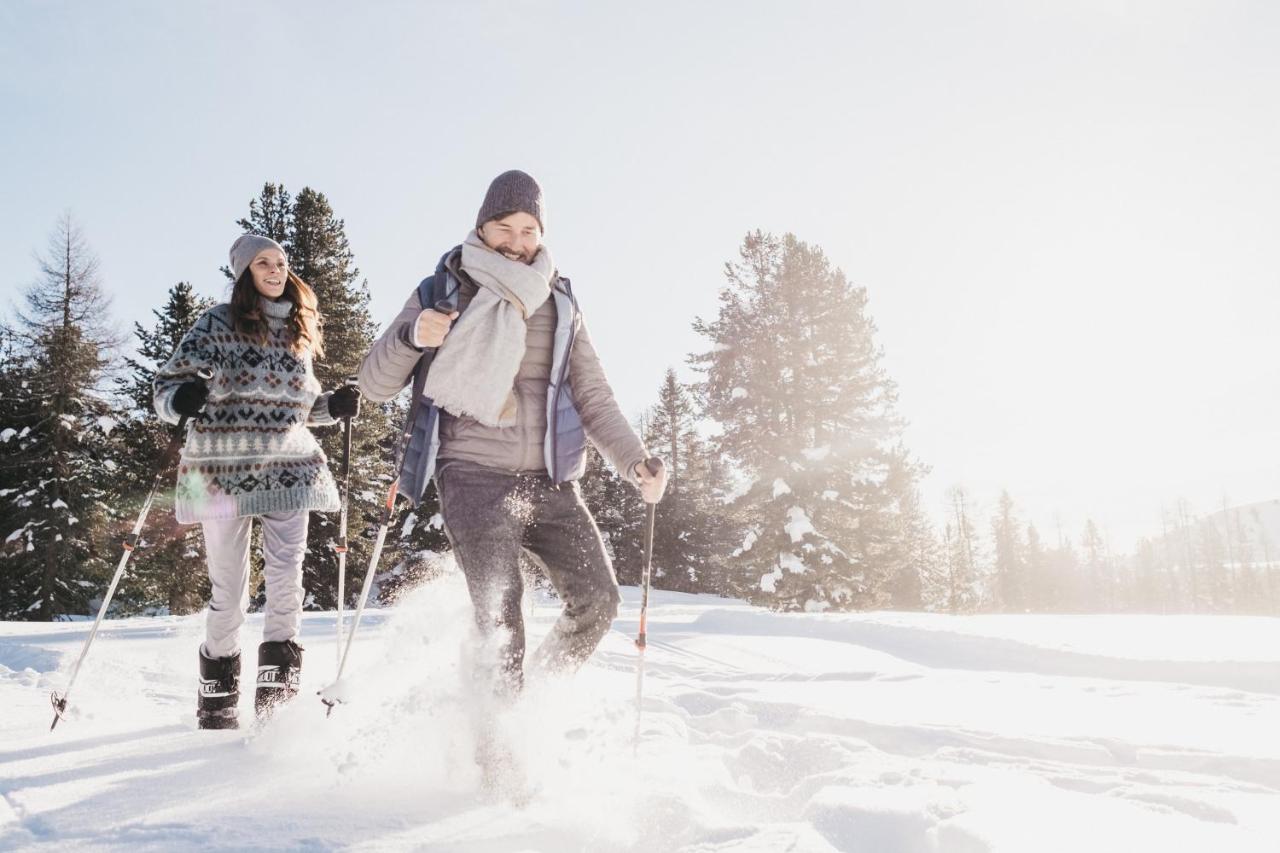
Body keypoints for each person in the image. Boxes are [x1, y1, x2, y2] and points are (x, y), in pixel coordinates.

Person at [359, 169, 667, 701]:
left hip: (550, 480)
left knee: (598, 600)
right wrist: (414, 335)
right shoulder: (444, 290)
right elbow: (374, 384)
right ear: (482, 227)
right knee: (500, 619)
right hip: (473, 477)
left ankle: (530, 709)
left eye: (529, 230)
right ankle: (497, 763)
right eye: (505, 228)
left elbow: (592, 396)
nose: (517, 243)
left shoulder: (561, 302)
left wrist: (635, 460)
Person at [154, 234, 362, 729]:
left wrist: (332, 406)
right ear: (244, 271)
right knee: (230, 591)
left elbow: (298, 406)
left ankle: (276, 710)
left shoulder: (298, 329)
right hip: (222, 470)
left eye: (281, 263)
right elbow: (164, 388)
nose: (275, 270)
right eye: (263, 263)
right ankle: (218, 704)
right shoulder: (217, 322)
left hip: (289, 467)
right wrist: (181, 398)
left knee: (287, 580)